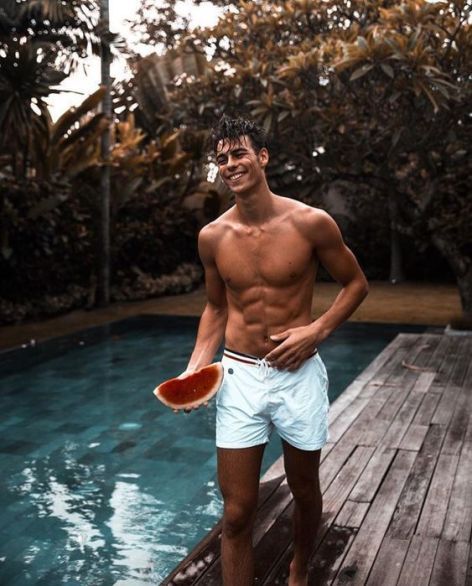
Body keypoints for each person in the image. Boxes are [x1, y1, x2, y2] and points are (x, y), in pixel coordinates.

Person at [180, 116, 369, 586]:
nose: (230, 164)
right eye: (221, 158)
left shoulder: (310, 223)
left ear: (262, 157)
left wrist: (317, 330)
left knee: (305, 490)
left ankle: (300, 568)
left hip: (298, 375)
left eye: (239, 153)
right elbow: (214, 310)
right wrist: (194, 369)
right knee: (237, 512)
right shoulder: (213, 237)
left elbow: (356, 284)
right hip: (239, 378)